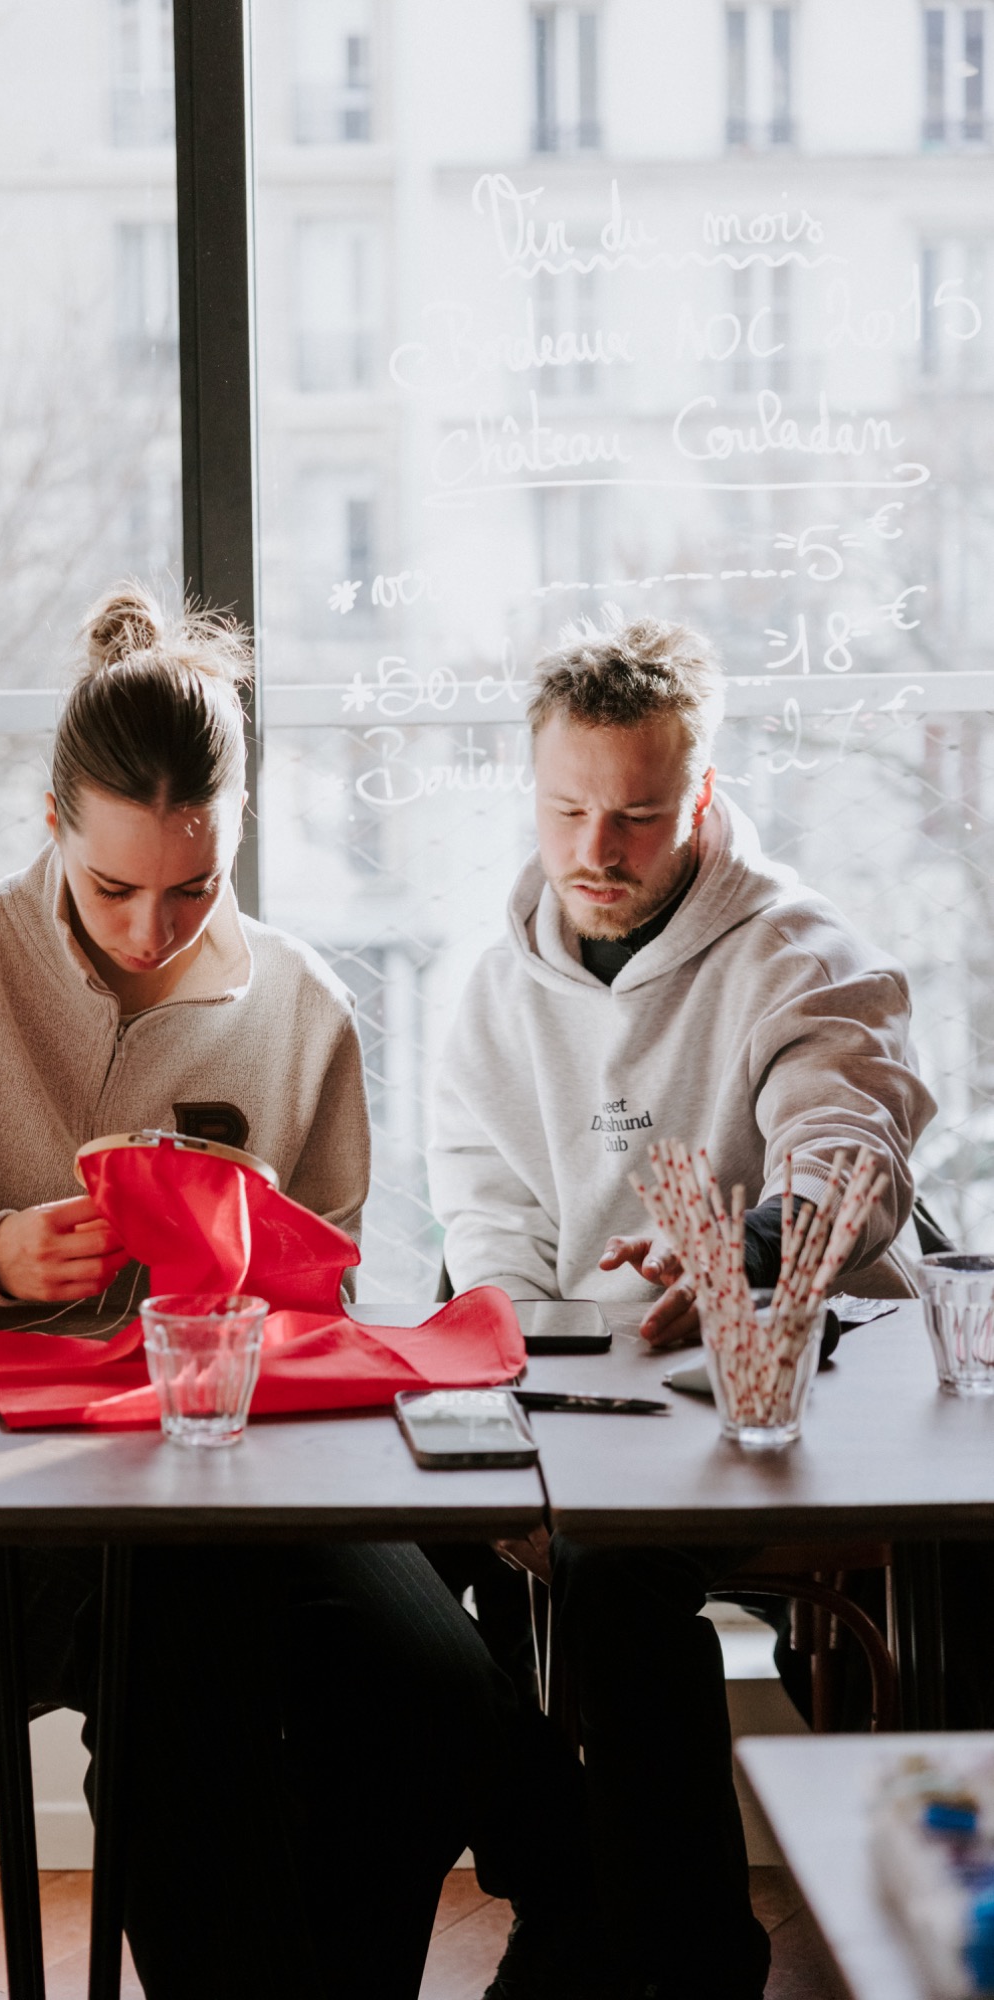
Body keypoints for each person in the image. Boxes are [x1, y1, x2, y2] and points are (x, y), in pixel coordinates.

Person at [0, 586, 571, 2000]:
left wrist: (247, 1269)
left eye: (192, 887)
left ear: (238, 832)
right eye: (113, 887)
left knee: (435, 1690)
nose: (150, 926)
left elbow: (323, 1301)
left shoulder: (297, 1006)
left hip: (223, 1486)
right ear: (51, 824)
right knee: (186, 1659)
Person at [428, 613, 936, 2000]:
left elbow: (851, 1156)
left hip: (783, 1383)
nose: (597, 848)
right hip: (585, 1392)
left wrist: (744, 1251)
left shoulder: (800, 954)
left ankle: (689, 1958)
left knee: (613, 1565)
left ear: (700, 797)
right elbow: (488, 1221)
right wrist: (519, 1397)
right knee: (402, 1559)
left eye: (638, 816)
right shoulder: (492, 989)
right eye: (568, 810)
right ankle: (562, 1899)